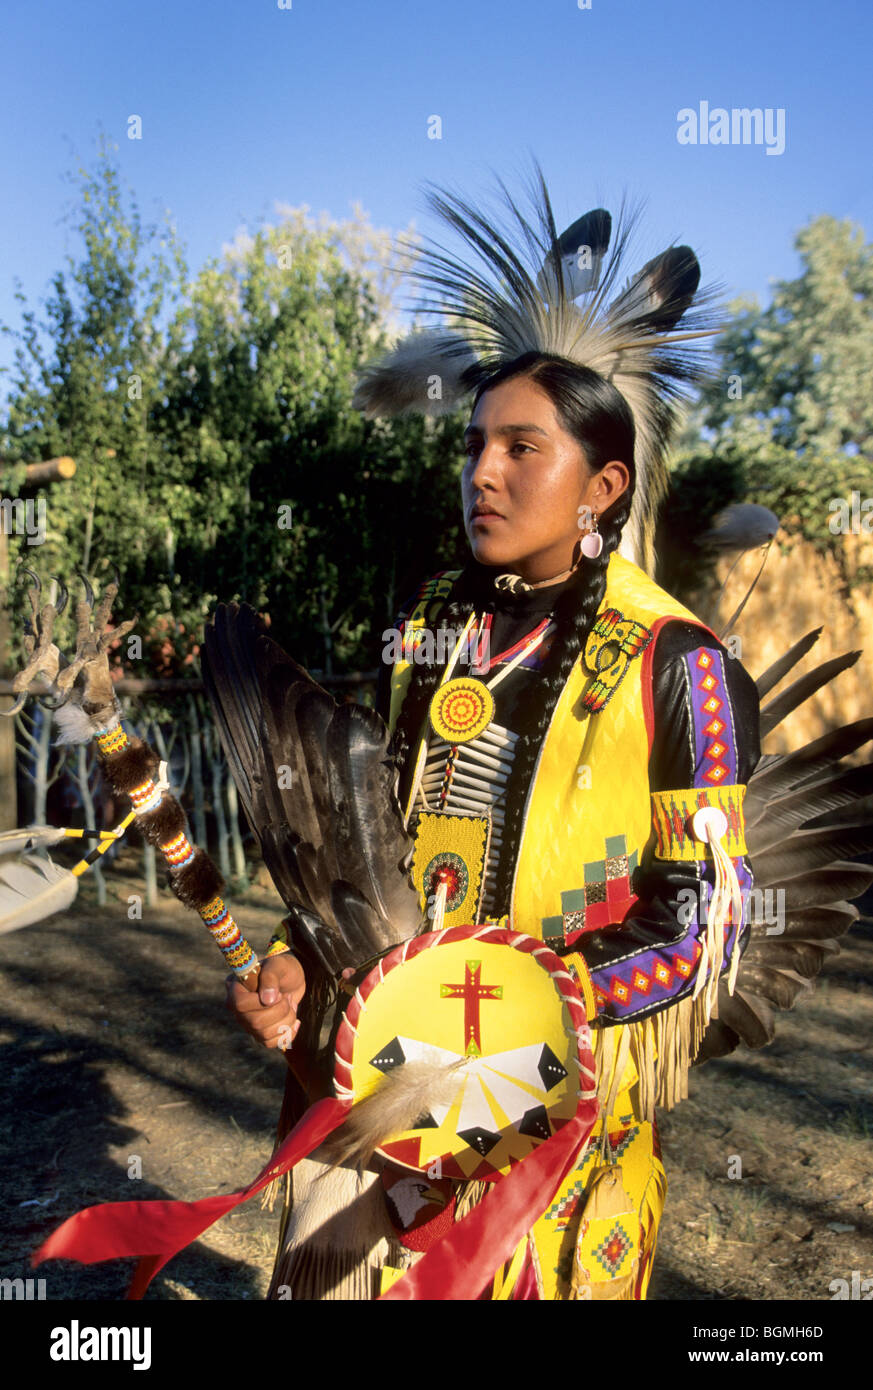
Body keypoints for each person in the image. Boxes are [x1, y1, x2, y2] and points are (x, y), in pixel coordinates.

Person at [227, 340, 761, 1298]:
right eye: (475, 445)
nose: (482, 472)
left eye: (522, 448)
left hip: (547, 1113)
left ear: (602, 485)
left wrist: (523, 1008)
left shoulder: (677, 661)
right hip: (375, 1081)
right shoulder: (432, 623)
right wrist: (297, 955)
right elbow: (369, 827)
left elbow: (700, 926)